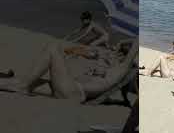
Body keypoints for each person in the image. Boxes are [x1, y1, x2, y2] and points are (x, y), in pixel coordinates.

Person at [0, 40, 138, 103]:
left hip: (73, 93)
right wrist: (122, 43)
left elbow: (133, 51)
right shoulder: (110, 69)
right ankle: (20, 84)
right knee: (27, 82)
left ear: (124, 57)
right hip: (69, 88)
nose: (113, 53)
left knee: (53, 47)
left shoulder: (120, 70)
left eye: (118, 53)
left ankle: (22, 86)